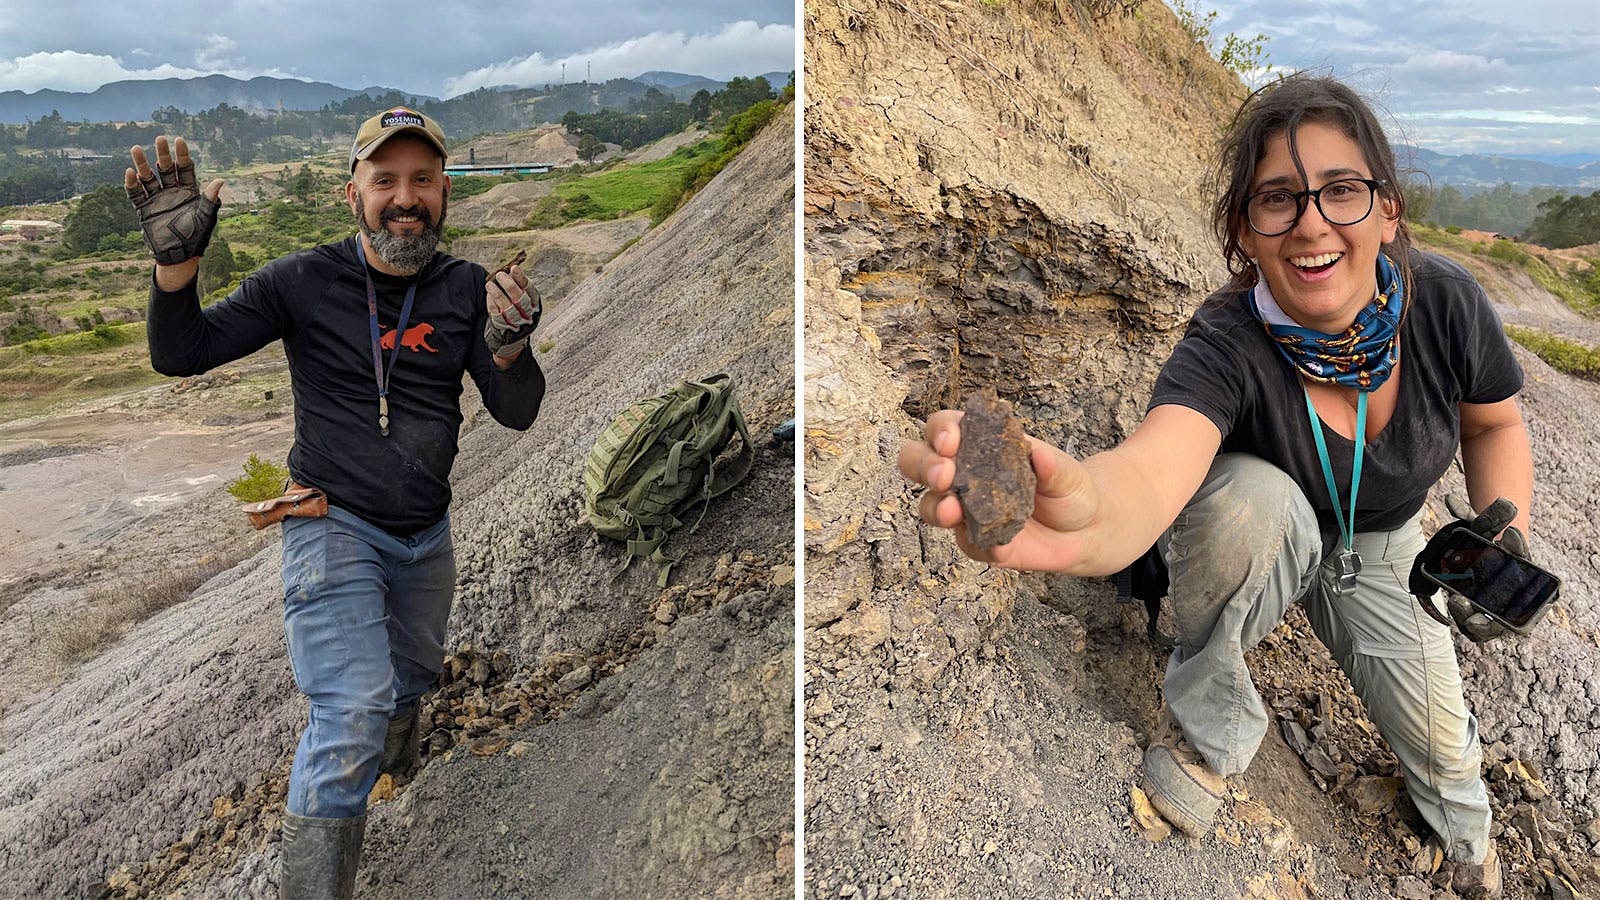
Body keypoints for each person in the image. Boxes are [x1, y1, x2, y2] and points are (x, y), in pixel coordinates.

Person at [898, 75, 1531, 897]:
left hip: (1382, 542)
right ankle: (1207, 729)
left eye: (1342, 191)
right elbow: (1153, 467)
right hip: (1266, 529)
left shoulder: (1445, 304)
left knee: (1449, 760)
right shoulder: (1228, 341)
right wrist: (1087, 514)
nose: (1312, 223)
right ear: (1246, 230)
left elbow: (1494, 424)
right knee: (1248, 499)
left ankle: (1463, 830)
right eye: (1278, 199)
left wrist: (1498, 527)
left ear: (1387, 209)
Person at [126, 106, 546, 898]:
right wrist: (176, 269)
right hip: (333, 524)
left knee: (409, 684)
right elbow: (181, 354)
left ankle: (395, 792)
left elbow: (517, 411)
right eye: (384, 179)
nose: (404, 197)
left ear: (444, 192)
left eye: (422, 179)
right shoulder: (301, 281)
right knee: (353, 708)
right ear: (350, 193)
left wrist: (511, 347)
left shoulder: (463, 290)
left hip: (426, 536)